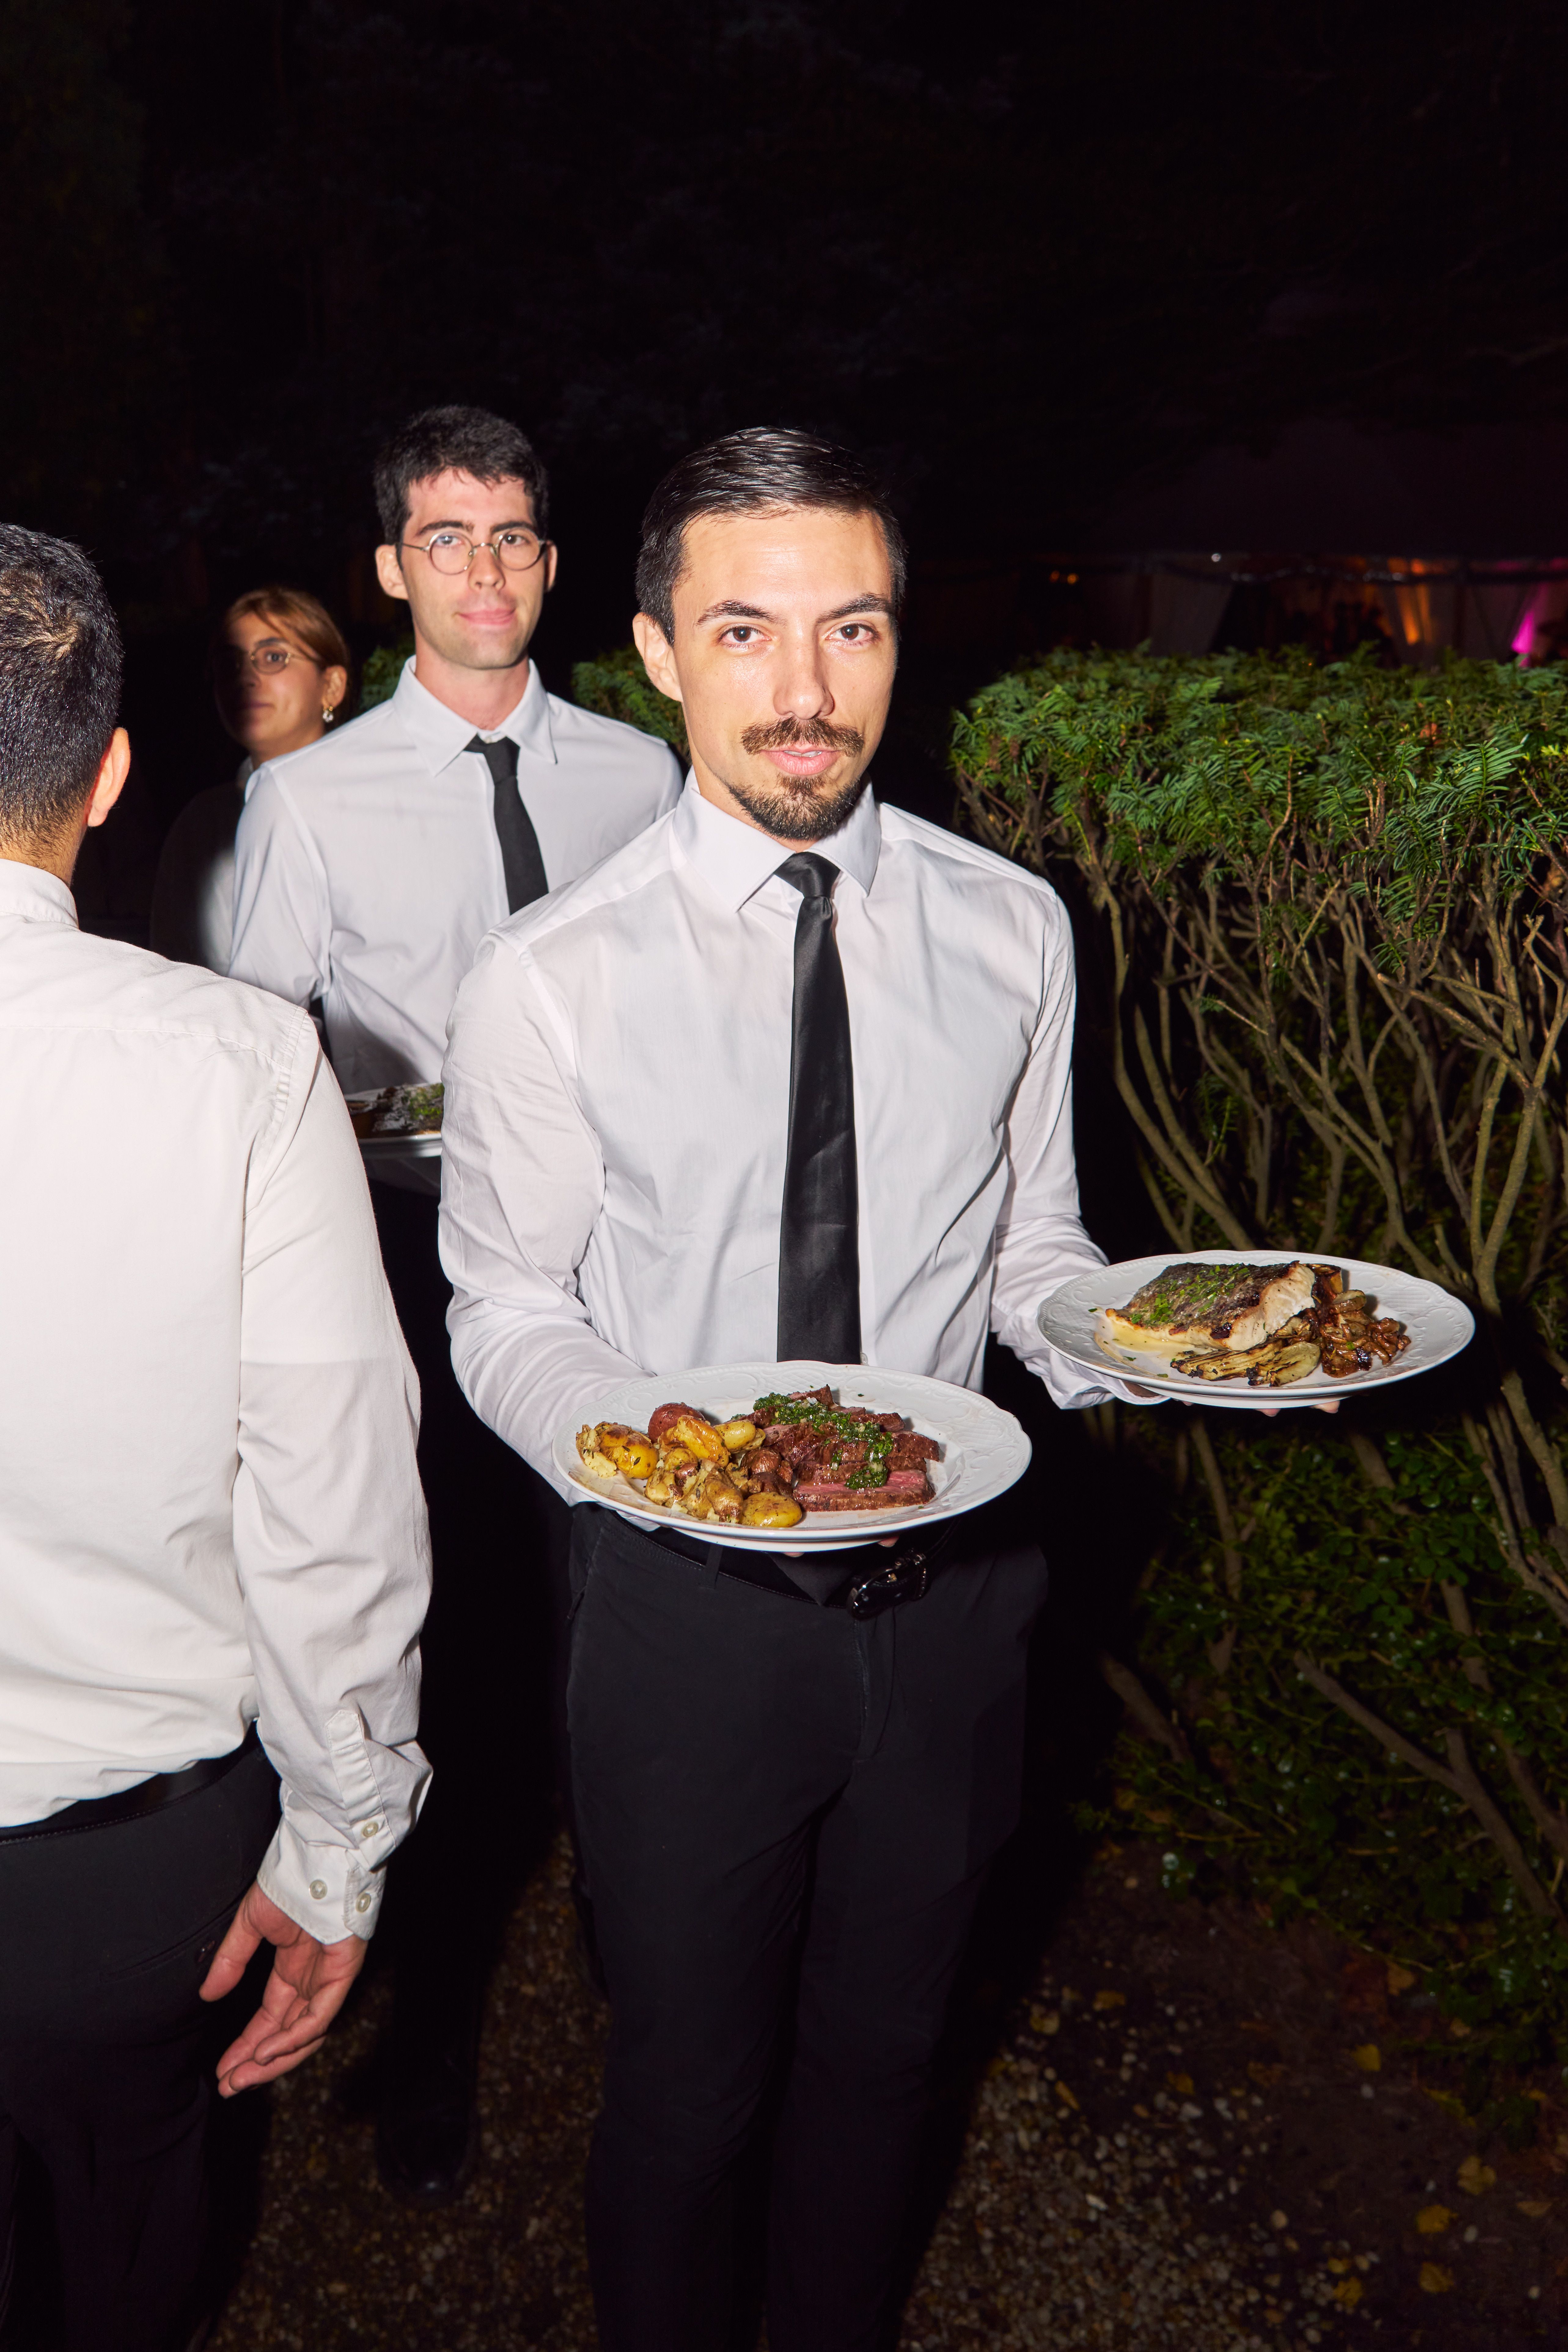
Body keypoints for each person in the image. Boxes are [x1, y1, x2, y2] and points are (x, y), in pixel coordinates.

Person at [437, 426, 1163, 2352]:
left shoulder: (1012, 929)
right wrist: (681, 1468)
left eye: (851, 628)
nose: (807, 688)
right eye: (746, 632)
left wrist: (1139, 1350)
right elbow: (503, 1305)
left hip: (958, 1611)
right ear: (659, 654)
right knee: (683, 2094)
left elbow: (1035, 1260)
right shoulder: (551, 976)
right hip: (691, 1621)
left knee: (888, 2064)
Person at [229, 404, 684, 2205]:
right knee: (457, 1637)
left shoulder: (644, 777)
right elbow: (255, 1063)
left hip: (620, 1259)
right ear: (391, 567)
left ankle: (645, 1937)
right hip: (406, 1266)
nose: (481, 568)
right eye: (446, 536)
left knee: (621, 1611)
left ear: (552, 567)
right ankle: (431, 2016)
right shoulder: (304, 796)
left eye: (512, 536)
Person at [0, 527, 431, 2352]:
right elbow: (332, 1500)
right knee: (117, 2239)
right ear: (109, 776)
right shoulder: (244, 1062)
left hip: (120, 1859)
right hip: (119, 1877)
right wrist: (343, 1842)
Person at [149, 585, 348, 970]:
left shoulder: (377, 799)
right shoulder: (203, 826)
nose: (247, 677)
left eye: (273, 657)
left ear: (332, 685)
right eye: (231, 662)